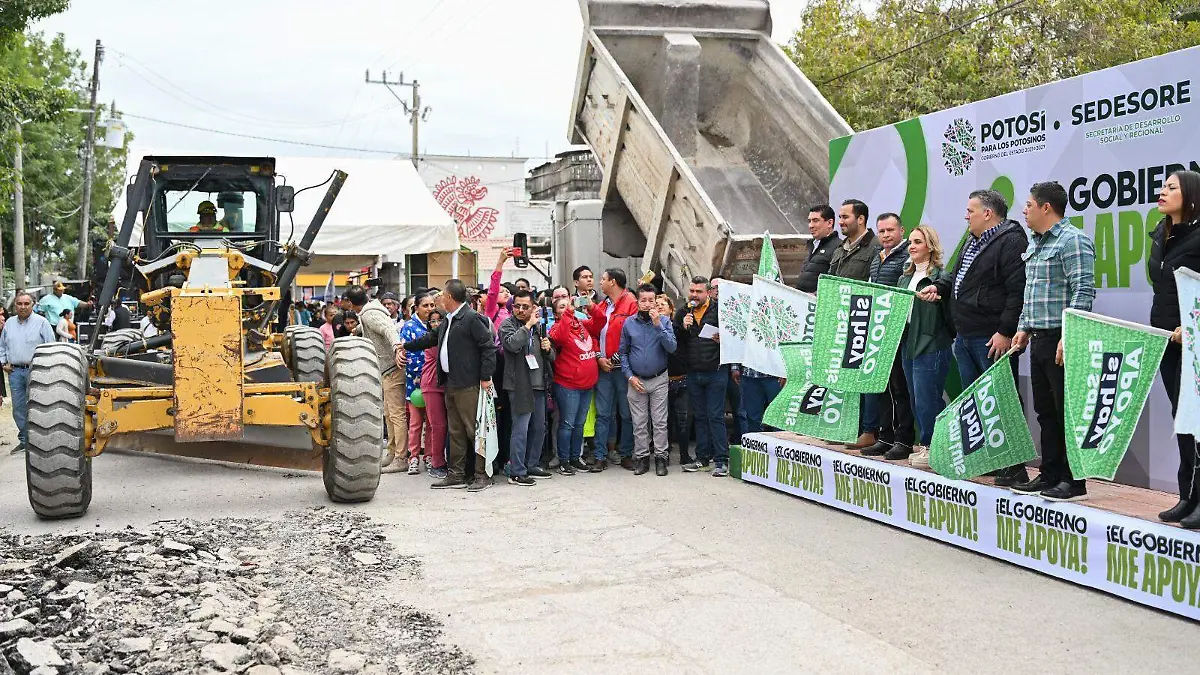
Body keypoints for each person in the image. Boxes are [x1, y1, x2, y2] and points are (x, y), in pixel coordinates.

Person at [1011, 182, 1096, 502]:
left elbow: (1083, 292)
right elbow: (1031, 293)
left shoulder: (1073, 241)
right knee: (1045, 411)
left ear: (1047, 207)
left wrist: (1069, 334)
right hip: (1039, 339)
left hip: (1063, 339)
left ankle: (1074, 481)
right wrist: (1023, 328)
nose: (1025, 210)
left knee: (1066, 412)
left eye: (1030, 205)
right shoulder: (1035, 243)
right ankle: (1050, 473)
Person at [402, 279, 497, 491]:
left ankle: (482, 474)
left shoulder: (471, 318)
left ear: (451, 298)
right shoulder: (449, 319)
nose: (439, 300)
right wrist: (405, 346)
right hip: (451, 383)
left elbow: (488, 347)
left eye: (442, 296)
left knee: (475, 430)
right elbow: (430, 338)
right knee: (456, 432)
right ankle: (457, 474)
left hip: (470, 384)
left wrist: (485, 376)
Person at [1148, 170, 1200, 527]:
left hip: (1193, 344)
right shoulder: (1160, 236)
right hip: (1166, 341)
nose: (1163, 191)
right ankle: (1187, 497)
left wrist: (1193, 325)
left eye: (1171, 187)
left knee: (1198, 425)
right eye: (1163, 186)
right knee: (1182, 422)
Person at [896, 225, 954, 468]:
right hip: (909, 343)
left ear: (930, 246)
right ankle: (928, 445)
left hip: (932, 344)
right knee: (915, 397)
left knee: (928, 398)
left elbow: (947, 301)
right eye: (911, 242)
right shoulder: (904, 277)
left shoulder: (941, 276)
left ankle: (936, 447)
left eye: (918, 242)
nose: (912, 246)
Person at [858, 212, 915, 457]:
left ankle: (903, 440)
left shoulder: (907, 258)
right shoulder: (877, 257)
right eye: (881, 231)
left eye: (890, 230)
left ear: (902, 231)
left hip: (899, 333)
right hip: (878, 333)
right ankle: (886, 436)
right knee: (882, 388)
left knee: (900, 389)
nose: (885, 235)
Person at [345, 286, 409, 473]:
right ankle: (392, 452)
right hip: (386, 370)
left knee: (396, 415)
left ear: (350, 303)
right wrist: (356, 331)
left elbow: (388, 329)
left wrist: (398, 348)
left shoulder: (370, 314)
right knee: (389, 414)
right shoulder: (367, 314)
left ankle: (401, 457)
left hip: (392, 369)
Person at [620, 283, 678, 476]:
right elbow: (623, 353)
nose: (647, 304)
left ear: (655, 302)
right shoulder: (629, 323)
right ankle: (642, 458)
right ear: (637, 301)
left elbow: (671, 347)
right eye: (643, 300)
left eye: (650, 300)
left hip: (659, 378)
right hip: (636, 380)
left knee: (660, 421)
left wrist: (657, 325)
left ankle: (661, 458)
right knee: (639, 422)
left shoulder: (664, 322)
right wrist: (629, 376)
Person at [583, 268, 638, 470]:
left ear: (613, 282)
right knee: (603, 414)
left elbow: (633, 336)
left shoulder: (631, 302)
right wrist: (599, 357)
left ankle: (626, 454)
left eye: (603, 279)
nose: (600, 282)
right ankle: (600, 456)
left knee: (626, 413)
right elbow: (594, 332)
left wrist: (614, 358)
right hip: (603, 367)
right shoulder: (602, 304)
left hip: (622, 368)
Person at [675, 276, 729, 476]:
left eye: (698, 292)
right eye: (692, 291)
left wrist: (723, 339)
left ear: (708, 293)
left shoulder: (720, 310)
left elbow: (735, 335)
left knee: (716, 416)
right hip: (694, 372)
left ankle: (721, 461)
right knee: (700, 417)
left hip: (716, 371)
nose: (694, 295)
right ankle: (702, 458)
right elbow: (676, 342)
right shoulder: (684, 312)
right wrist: (683, 326)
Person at [500, 290, 555, 485]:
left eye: (525, 306)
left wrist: (548, 349)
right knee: (521, 428)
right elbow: (512, 345)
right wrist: (529, 325)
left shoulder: (540, 328)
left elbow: (552, 357)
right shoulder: (507, 325)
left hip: (539, 383)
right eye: (517, 306)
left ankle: (532, 464)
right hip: (519, 385)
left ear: (533, 308)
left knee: (539, 427)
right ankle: (517, 471)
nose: (521, 310)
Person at [548, 296, 599, 475]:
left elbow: (600, 322)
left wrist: (591, 306)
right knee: (567, 424)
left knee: (579, 424)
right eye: (561, 307)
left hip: (587, 384)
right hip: (567, 385)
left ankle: (576, 458)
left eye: (568, 305)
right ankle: (564, 460)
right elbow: (561, 336)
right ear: (555, 314)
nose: (567, 308)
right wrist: (569, 313)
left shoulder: (582, 324)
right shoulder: (555, 328)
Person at [0, 293, 55, 452]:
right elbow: (2, 346)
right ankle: (25, 441)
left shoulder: (42, 323)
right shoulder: (9, 323)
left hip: (37, 371)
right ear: (15, 306)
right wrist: (3, 362)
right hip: (15, 372)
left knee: (40, 405)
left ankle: (42, 441)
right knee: (18, 408)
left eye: (26, 303)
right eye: (19, 304)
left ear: (33, 305)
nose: (22, 307)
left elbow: (51, 346)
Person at [400, 293, 436, 475]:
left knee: (431, 423)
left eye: (432, 305)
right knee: (415, 423)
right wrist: (419, 375)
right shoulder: (408, 327)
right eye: (425, 305)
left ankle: (429, 456)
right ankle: (413, 457)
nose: (429, 309)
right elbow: (407, 355)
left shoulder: (435, 325)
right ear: (417, 308)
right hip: (414, 383)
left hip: (433, 382)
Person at [658, 294, 693, 465]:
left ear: (671, 309)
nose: (659, 307)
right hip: (662, 381)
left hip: (681, 379)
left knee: (683, 419)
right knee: (663, 420)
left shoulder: (678, 328)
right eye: (656, 304)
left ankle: (685, 455)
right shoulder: (652, 329)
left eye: (663, 304)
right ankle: (663, 455)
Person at [420, 305, 449, 480]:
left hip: (445, 386)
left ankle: (437, 458)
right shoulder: (432, 340)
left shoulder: (445, 337)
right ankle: (437, 462)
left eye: (440, 320)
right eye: (433, 321)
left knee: (442, 426)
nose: (436, 323)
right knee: (438, 426)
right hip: (432, 385)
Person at [828, 199, 882, 281]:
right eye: (840, 217)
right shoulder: (839, 249)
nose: (840, 222)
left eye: (845, 217)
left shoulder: (877, 246)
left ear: (860, 219)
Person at [796, 205, 840, 292]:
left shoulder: (839, 247)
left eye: (815, 221)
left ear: (830, 223)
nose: (811, 225)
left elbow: (835, 282)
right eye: (809, 221)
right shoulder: (812, 245)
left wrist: (816, 295)